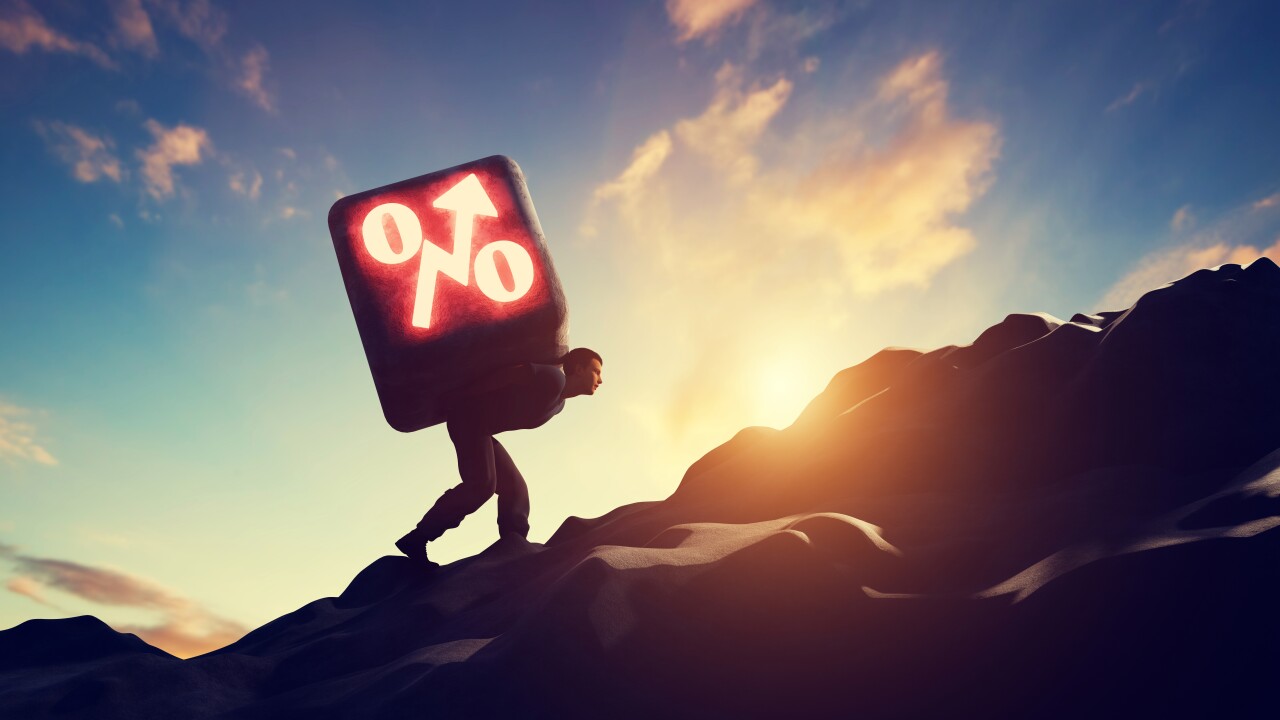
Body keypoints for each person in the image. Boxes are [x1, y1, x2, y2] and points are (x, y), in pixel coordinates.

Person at [395, 348, 604, 567]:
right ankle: (417, 538)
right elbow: (511, 374)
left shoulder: (559, 405)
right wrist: (466, 395)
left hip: (481, 430)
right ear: (579, 369)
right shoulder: (554, 379)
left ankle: (513, 548)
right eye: (596, 371)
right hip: (467, 416)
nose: (600, 379)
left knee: (516, 489)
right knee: (482, 485)